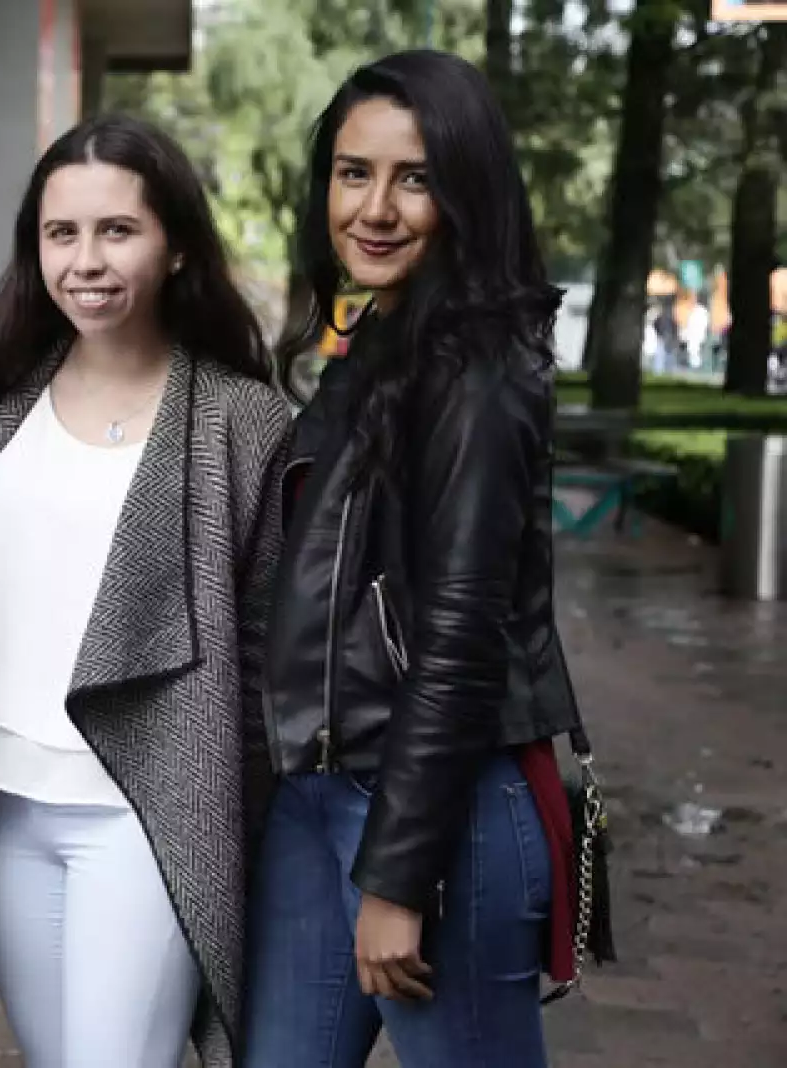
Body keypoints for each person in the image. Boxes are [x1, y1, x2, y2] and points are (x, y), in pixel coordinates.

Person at [246, 50, 590, 1068]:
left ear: (466, 190)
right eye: (354, 173)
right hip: (318, 800)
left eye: (416, 178)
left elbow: (458, 640)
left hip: (437, 819)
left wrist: (397, 877)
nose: (376, 208)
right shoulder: (379, 344)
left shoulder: (478, 369)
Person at [0, 113, 291, 1068]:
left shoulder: (240, 419)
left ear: (176, 243)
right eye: (61, 234)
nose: (86, 260)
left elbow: (268, 646)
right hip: (3, 796)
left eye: (117, 231)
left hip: (148, 809)